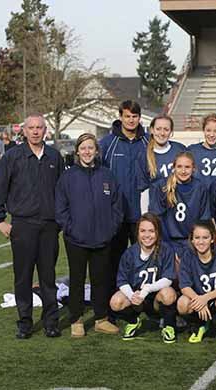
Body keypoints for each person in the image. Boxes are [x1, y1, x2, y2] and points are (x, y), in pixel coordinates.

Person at [0, 114, 64, 339]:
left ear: (45, 130)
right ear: (24, 131)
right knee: (22, 277)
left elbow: (63, 191)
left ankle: (51, 321)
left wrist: (60, 220)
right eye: (31, 128)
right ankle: (24, 322)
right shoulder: (13, 157)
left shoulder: (55, 156)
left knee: (48, 277)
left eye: (39, 128)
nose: (35, 131)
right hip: (22, 226)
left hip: (49, 227)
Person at [55, 133, 123, 337]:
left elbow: (117, 206)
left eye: (90, 148)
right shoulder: (68, 177)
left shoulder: (107, 175)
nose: (87, 152)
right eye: (83, 148)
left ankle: (101, 318)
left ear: (96, 151)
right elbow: (60, 207)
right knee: (77, 279)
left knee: (100, 279)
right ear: (77, 151)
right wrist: (70, 228)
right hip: (76, 239)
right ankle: (76, 319)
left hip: (102, 238)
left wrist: (109, 229)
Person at [100, 100, 149, 307]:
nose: (131, 120)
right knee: (115, 261)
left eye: (135, 116)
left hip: (142, 215)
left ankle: (145, 304)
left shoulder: (148, 142)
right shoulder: (106, 144)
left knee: (145, 261)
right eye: (127, 116)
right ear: (120, 116)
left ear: (139, 118)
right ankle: (114, 304)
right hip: (116, 214)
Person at [109, 213, 178, 343]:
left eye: (151, 231)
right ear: (137, 233)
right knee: (116, 302)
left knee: (169, 294)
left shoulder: (166, 250)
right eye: (143, 231)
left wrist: (147, 289)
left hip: (156, 298)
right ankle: (133, 321)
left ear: (158, 232)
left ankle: (169, 326)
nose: (147, 235)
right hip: (137, 298)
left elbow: (168, 278)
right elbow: (122, 280)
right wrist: (131, 296)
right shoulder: (130, 253)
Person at [177, 221, 216, 344]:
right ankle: (198, 325)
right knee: (182, 303)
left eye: (205, 237)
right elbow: (184, 286)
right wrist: (198, 299)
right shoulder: (187, 255)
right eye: (197, 238)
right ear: (192, 240)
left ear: (212, 239)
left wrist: (205, 298)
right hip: (198, 299)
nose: (201, 242)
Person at [149, 151, 211, 258]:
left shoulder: (200, 187)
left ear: (194, 169)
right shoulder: (161, 186)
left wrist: (197, 243)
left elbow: (204, 218)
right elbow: (157, 219)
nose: (183, 171)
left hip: (192, 242)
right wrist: (168, 247)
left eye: (187, 167)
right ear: (173, 167)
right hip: (168, 241)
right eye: (179, 166)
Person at [137, 115, 186, 213]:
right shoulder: (143, 155)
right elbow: (144, 190)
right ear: (152, 130)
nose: (162, 133)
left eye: (166, 129)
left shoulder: (180, 149)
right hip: (157, 211)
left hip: (179, 208)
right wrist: (145, 216)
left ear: (171, 132)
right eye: (158, 129)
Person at [187, 113, 216, 186]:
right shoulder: (192, 150)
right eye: (208, 130)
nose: (211, 135)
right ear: (203, 130)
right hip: (198, 195)